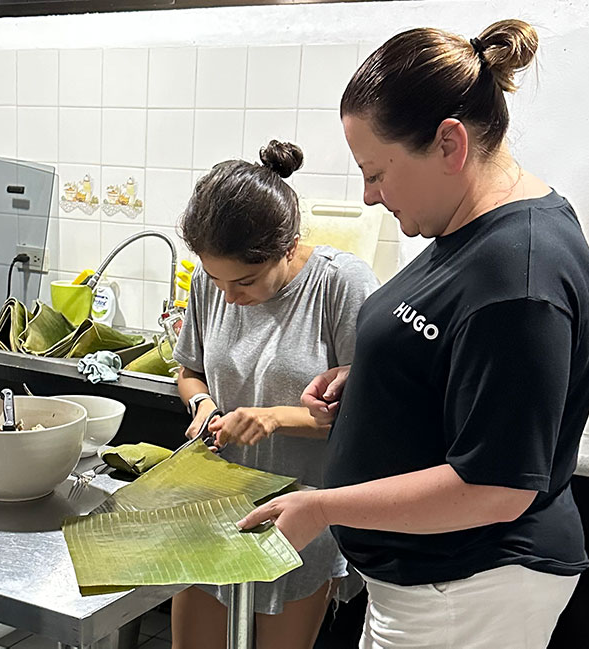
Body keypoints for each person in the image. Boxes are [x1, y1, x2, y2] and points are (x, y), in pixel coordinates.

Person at [237, 20, 589, 649]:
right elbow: (455, 351)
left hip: (466, 588)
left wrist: (325, 507)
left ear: (449, 144)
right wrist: (381, 378)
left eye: (377, 172)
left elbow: (496, 488)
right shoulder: (466, 225)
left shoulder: (520, 276)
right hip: (430, 580)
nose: (370, 195)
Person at [172, 140, 379, 649]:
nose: (228, 296)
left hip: (299, 516)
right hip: (212, 506)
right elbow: (189, 369)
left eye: (244, 281)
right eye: (216, 279)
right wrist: (202, 404)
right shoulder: (211, 280)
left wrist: (275, 418)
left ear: (287, 249)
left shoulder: (341, 285)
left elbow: (370, 415)